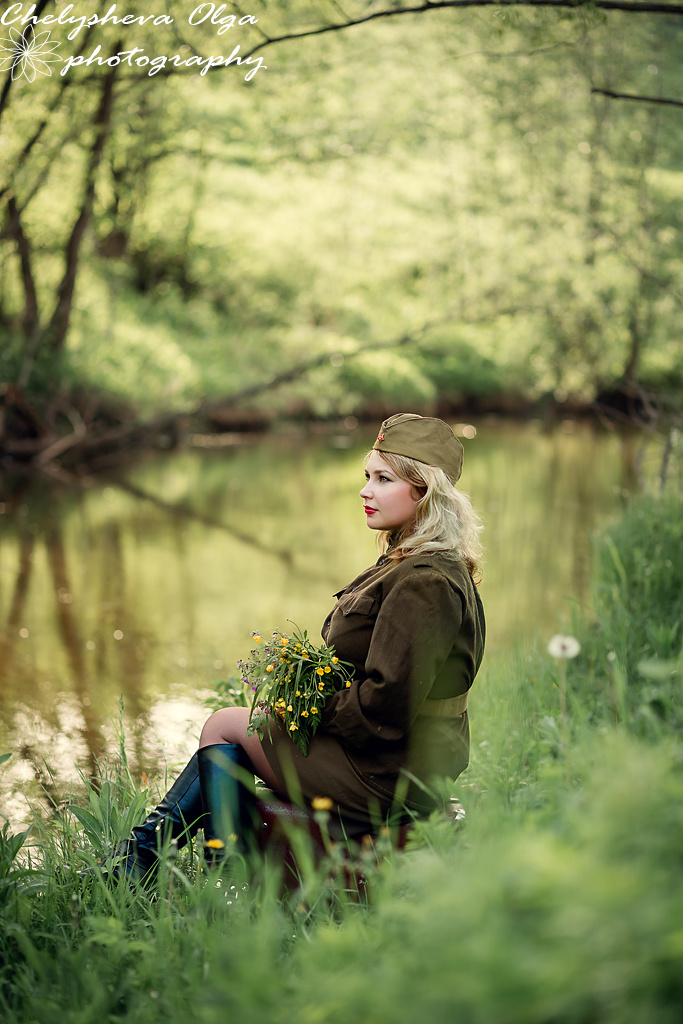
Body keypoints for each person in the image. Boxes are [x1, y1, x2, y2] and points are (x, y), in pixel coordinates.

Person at [97, 413, 485, 882]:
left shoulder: (424, 581)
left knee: (225, 728)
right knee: (233, 733)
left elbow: (383, 709)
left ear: (424, 493)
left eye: (384, 479)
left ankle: (207, 878)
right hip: (397, 761)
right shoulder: (415, 562)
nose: (365, 490)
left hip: (391, 775)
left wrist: (297, 700)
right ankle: (151, 865)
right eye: (367, 476)